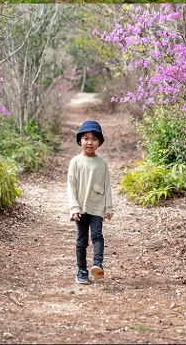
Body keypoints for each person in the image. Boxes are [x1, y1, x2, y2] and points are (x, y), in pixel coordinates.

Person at [67, 119, 114, 285]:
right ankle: (81, 270)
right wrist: (74, 208)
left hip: (97, 206)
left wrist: (108, 207)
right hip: (80, 208)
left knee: (97, 236)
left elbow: (107, 186)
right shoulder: (75, 162)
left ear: (99, 142)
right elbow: (71, 188)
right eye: (86, 138)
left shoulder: (102, 164)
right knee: (82, 240)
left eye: (94, 139)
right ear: (80, 140)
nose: (90, 142)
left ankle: (97, 265)